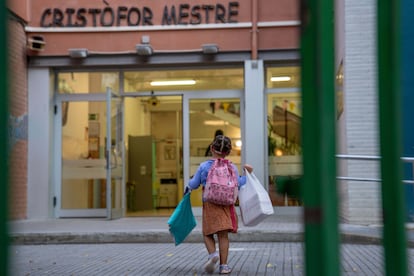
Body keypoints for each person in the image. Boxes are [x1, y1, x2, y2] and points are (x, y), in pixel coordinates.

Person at [185, 135, 253, 274]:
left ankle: (213, 255)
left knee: (207, 233)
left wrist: (188, 187)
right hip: (226, 206)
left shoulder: (204, 166)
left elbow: (194, 184)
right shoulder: (232, 167)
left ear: (211, 148)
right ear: (228, 152)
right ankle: (224, 266)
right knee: (223, 236)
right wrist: (248, 174)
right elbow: (239, 183)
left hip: (210, 204)